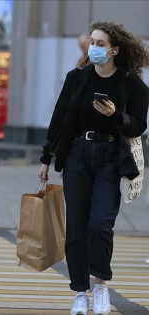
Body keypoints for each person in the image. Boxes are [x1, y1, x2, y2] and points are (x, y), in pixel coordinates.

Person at [38, 21, 149, 315]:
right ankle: (80, 292)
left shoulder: (132, 84)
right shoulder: (77, 78)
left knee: (100, 225)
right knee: (75, 228)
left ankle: (100, 285)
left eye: (100, 44)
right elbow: (60, 117)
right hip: (77, 155)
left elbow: (139, 125)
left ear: (114, 50)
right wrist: (45, 158)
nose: (94, 48)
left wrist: (117, 116)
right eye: (92, 42)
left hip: (111, 156)